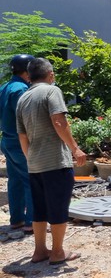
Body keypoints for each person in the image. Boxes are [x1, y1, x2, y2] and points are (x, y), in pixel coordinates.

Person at [16, 58, 86, 265]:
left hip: (35, 163)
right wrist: (75, 148)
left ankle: (39, 251)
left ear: (29, 76)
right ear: (51, 74)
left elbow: (22, 136)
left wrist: (31, 159)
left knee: (39, 208)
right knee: (58, 207)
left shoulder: (23, 98)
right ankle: (57, 252)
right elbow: (58, 121)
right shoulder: (51, 91)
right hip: (55, 161)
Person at [0, 54, 35, 234]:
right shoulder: (21, 90)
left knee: (15, 181)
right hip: (21, 142)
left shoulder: (4, 87)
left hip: (6, 140)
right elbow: (27, 120)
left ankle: (17, 220)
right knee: (32, 180)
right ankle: (31, 222)